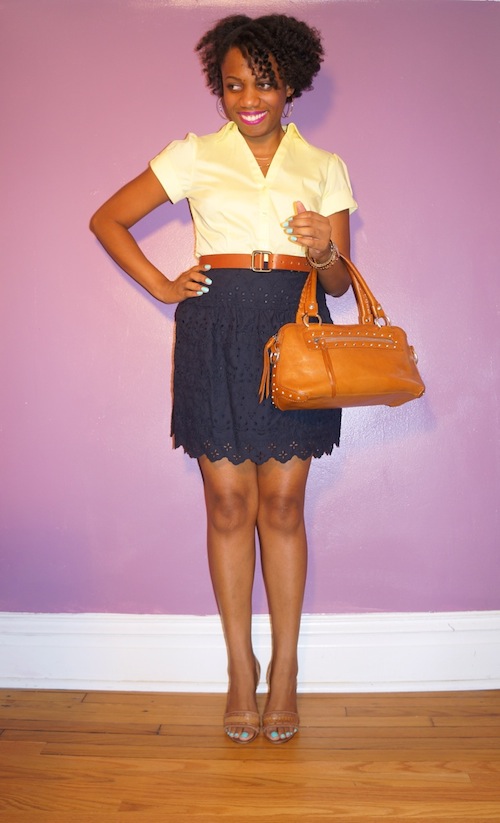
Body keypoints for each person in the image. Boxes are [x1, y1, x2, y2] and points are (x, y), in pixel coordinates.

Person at [90, 13, 357, 745]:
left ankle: (286, 670)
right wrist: (160, 284)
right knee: (229, 504)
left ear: (290, 83)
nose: (248, 98)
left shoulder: (324, 165)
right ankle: (241, 669)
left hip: (297, 331)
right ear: (220, 87)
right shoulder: (194, 154)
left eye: (263, 83)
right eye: (234, 85)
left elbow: (338, 282)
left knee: (284, 506)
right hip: (216, 330)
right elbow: (109, 219)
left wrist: (324, 248)